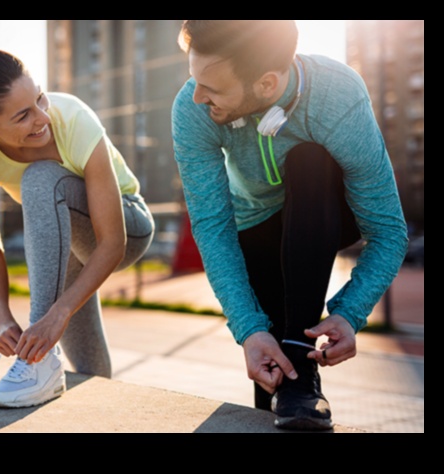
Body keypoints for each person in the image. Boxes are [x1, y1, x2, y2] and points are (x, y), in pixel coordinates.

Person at [172, 20, 408, 430]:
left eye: (211, 86)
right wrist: (248, 330)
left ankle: (300, 355)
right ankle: (296, 386)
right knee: (273, 374)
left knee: (309, 159)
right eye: (194, 79)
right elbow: (212, 227)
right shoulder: (191, 110)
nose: (197, 96)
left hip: (329, 212)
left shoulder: (337, 95)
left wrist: (350, 313)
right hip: (256, 227)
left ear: (265, 84)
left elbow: (388, 231)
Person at [0, 48, 154, 408]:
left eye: (39, 97)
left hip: (128, 228)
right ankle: (88, 405)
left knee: (40, 179)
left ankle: (35, 364)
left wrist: (56, 314)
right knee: (88, 366)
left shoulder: (73, 119)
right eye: (23, 116)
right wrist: (1, 320)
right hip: (66, 242)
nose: (42, 118)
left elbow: (113, 242)